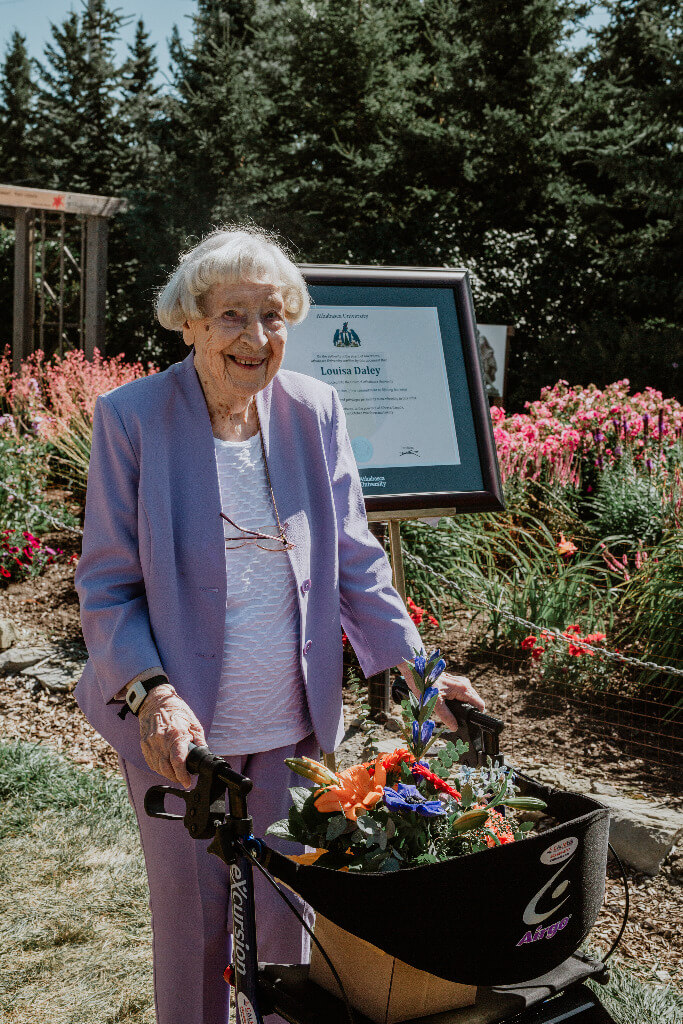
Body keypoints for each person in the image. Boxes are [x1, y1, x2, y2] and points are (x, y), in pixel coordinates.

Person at [74, 226, 485, 1024]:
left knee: (286, 923)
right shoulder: (133, 419)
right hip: (184, 734)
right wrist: (152, 692)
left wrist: (418, 673)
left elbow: (355, 562)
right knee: (196, 931)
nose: (255, 339)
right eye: (231, 316)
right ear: (189, 321)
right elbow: (108, 581)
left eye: (273, 316)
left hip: (292, 723)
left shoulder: (313, 409)